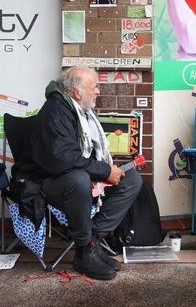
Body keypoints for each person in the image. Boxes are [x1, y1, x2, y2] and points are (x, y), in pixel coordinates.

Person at [29, 66, 143, 281]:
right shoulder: (55, 111)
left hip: (70, 173)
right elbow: (63, 158)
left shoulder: (81, 112)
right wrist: (104, 171)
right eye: (95, 87)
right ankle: (83, 251)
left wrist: (110, 170)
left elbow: (83, 156)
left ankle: (93, 241)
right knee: (79, 180)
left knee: (132, 180)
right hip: (47, 181)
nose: (98, 91)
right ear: (76, 92)